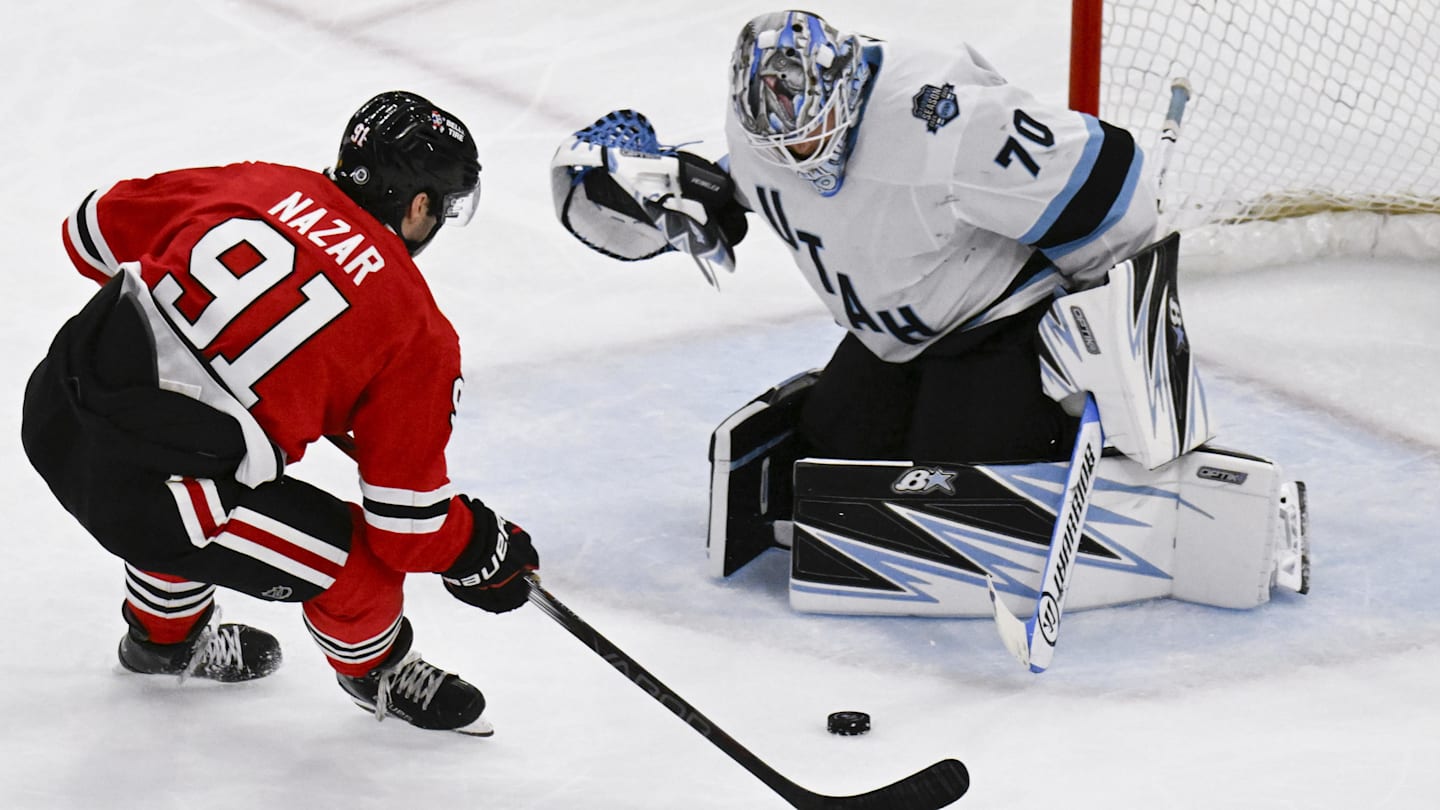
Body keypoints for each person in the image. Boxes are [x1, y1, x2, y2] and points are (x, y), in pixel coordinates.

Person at [22, 91, 538, 735]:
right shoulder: (417, 330)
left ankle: (161, 641)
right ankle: (377, 669)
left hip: (53, 410)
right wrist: (479, 551)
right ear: (420, 204)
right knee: (355, 566)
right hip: (152, 494)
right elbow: (406, 528)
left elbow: (88, 233)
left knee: (192, 469)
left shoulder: (263, 184)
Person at [550, 9, 1157, 465]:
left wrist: (1106, 321)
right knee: (830, 456)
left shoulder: (943, 120)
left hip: (1000, 321)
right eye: (777, 148)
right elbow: (771, 190)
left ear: (846, 87)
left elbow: (1113, 181)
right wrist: (697, 192)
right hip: (889, 339)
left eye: (810, 136)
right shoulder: (755, 127)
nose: (797, 158)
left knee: (953, 478)